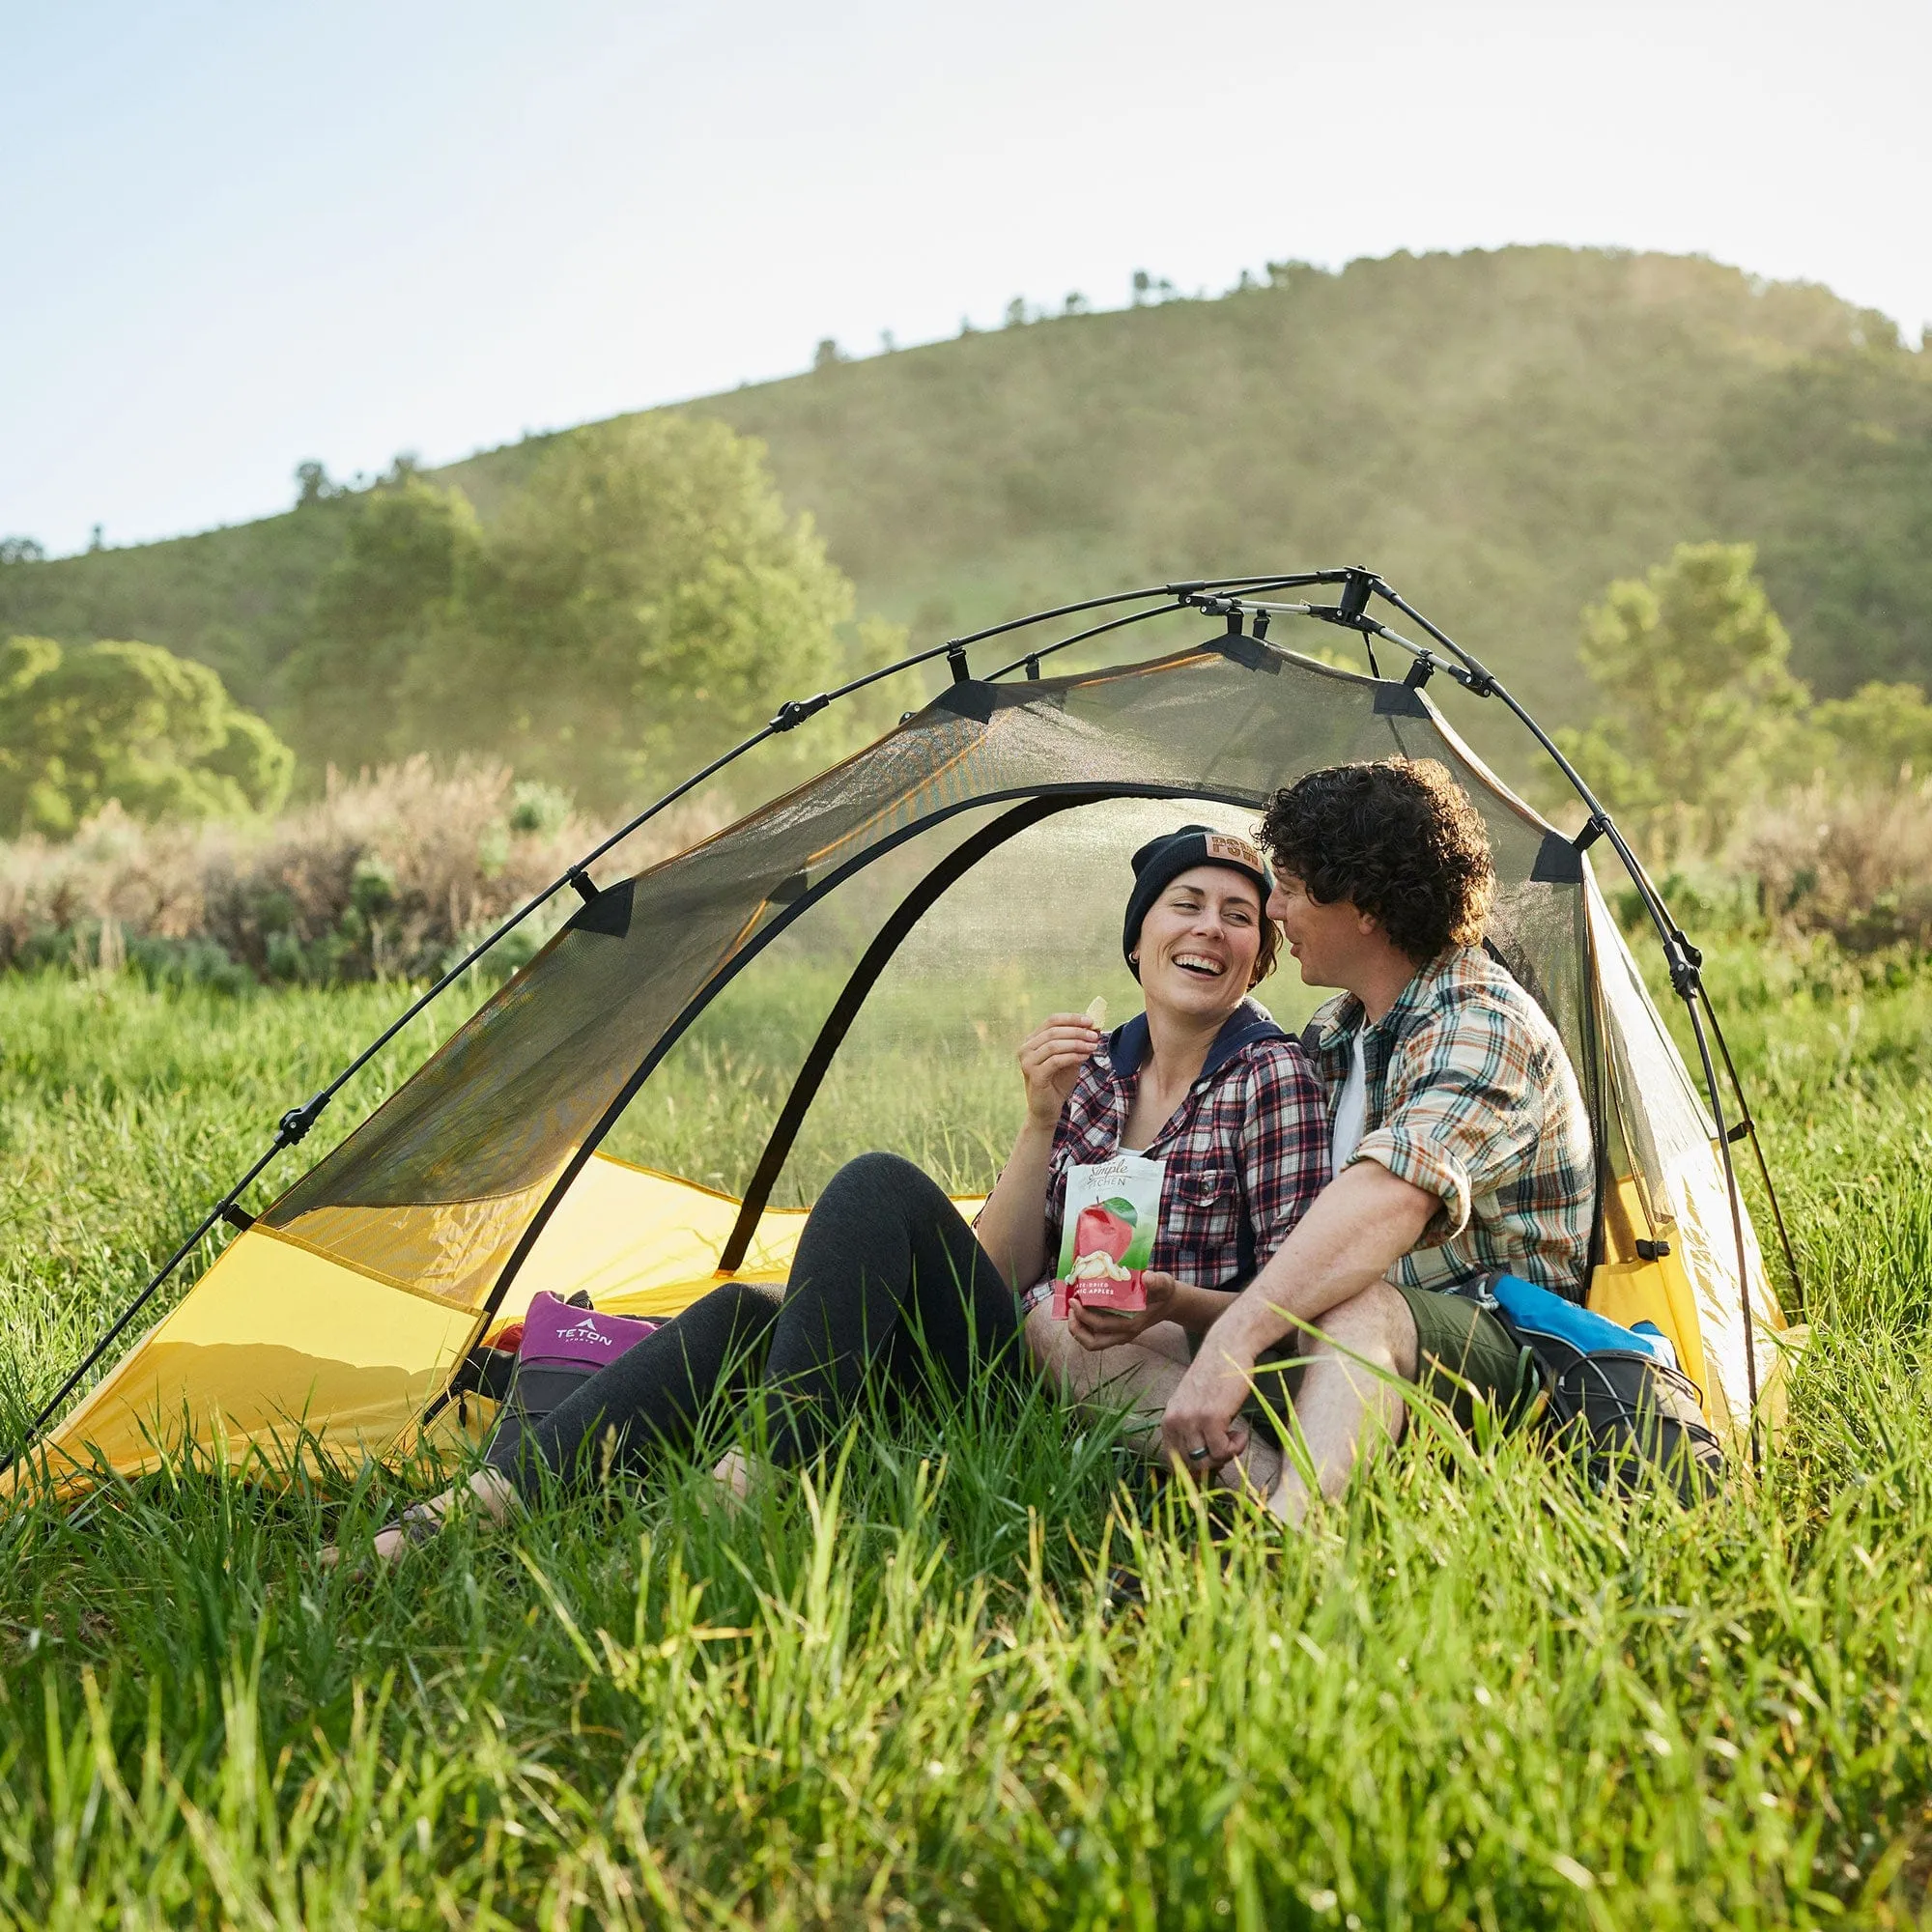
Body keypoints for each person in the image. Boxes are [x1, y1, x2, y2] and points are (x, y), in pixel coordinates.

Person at [329, 823, 1329, 1563]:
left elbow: (1291, 1308)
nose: (1209, 929)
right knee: (734, 1312)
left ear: (1259, 955)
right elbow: (994, 1276)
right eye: (1184, 905)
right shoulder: (1094, 1070)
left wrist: (1168, 1303)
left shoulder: (1269, 1078)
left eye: (1237, 916)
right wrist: (1037, 1118)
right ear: (1138, 937)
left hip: (1132, 1396)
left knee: (877, 1185)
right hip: (1023, 1357)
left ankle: (751, 1482)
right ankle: (459, 1519)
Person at [1158, 758, 1594, 1524]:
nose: (1275, 912)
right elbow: (1310, 1261)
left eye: (1288, 888)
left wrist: (1232, 1337)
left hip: (1511, 1366)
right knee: (1064, 1333)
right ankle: (1267, 1496)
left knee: (1361, 1310)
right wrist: (1178, 1305)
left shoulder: (1482, 1023)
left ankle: (1296, 1550)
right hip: (1349, 1356)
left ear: (1361, 903)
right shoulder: (1338, 1032)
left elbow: (1385, 1203)